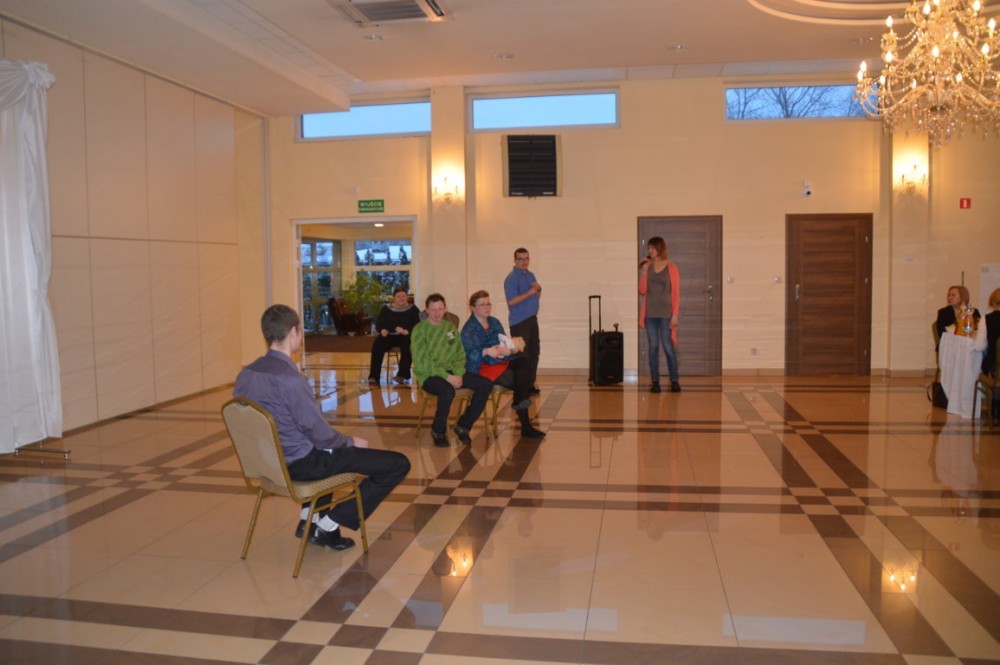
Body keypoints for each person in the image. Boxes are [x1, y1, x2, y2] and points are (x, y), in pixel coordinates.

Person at [234, 304, 410, 550]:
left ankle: (308, 519)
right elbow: (321, 435)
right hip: (299, 465)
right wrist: (350, 442)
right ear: (294, 332)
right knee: (397, 464)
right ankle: (327, 525)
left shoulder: (246, 374)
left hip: (267, 462)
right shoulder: (291, 380)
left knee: (326, 451)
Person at [461, 290, 546, 439]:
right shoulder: (469, 329)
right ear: (472, 308)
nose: (487, 307)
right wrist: (486, 351)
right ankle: (525, 425)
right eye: (482, 304)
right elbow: (468, 356)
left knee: (524, 361)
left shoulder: (494, 322)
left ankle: (521, 408)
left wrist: (508, 349)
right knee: (521, 381)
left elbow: (503, 341)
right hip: (483, 367)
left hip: (500, 361)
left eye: (488, 304)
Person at [411, 293, 493, 447]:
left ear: (445, 309)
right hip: (429, 375)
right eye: (433, 309)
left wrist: (458, 373)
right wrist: (446, 376)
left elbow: (459, 354)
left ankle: (463, 425)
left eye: (440, 309)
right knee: (447, 390)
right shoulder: (419, 330)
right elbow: (421, 361)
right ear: (426, 311)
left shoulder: (450, 329)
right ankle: (438, 430)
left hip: (452, 372)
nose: (437, 313)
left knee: (485, 385)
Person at [639, 236, 680, 393]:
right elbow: (642, 290)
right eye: (648, 248)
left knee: (668, 346)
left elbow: (676, 293)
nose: (650, 250)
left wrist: (675, 315)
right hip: (650, 314)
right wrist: (644, 272)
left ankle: (674, 380)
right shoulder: (648, 267)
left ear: (659, 248)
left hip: (666, 314)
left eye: (652, 247)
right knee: (653, 347)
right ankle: (655, 381)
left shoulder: (671, 268)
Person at [504, 247, 542, 396]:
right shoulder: (511, 278)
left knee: (534, 353)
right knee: (523, 357)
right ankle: (522, 389)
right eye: (520, 259)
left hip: (532, 319)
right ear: (515, 261)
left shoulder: (530, 275)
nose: (524, 262)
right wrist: (530, 292)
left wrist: (538, 290)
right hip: (519, 322)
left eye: (526, 258)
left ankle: (530, 385)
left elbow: (535, 296)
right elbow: (511, 301)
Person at [367, 287, 420, 386]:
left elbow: (418, 324)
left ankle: (402, 375)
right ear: (393, 298)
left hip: (405, 336)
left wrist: (406, 331)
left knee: (408, 345)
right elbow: (379, 324)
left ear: (407, 297)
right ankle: (374, 376)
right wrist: (382, 330)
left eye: (404, 296)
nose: (402, 298)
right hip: (389, 335)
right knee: (377, 344)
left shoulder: (413, 309)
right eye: (398, 296)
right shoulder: (386, 309)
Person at [973, 287, 1000, 421]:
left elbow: (979, 347)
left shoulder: (987, 319)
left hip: (995, 368)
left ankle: (995, 410)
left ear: (993, 302)